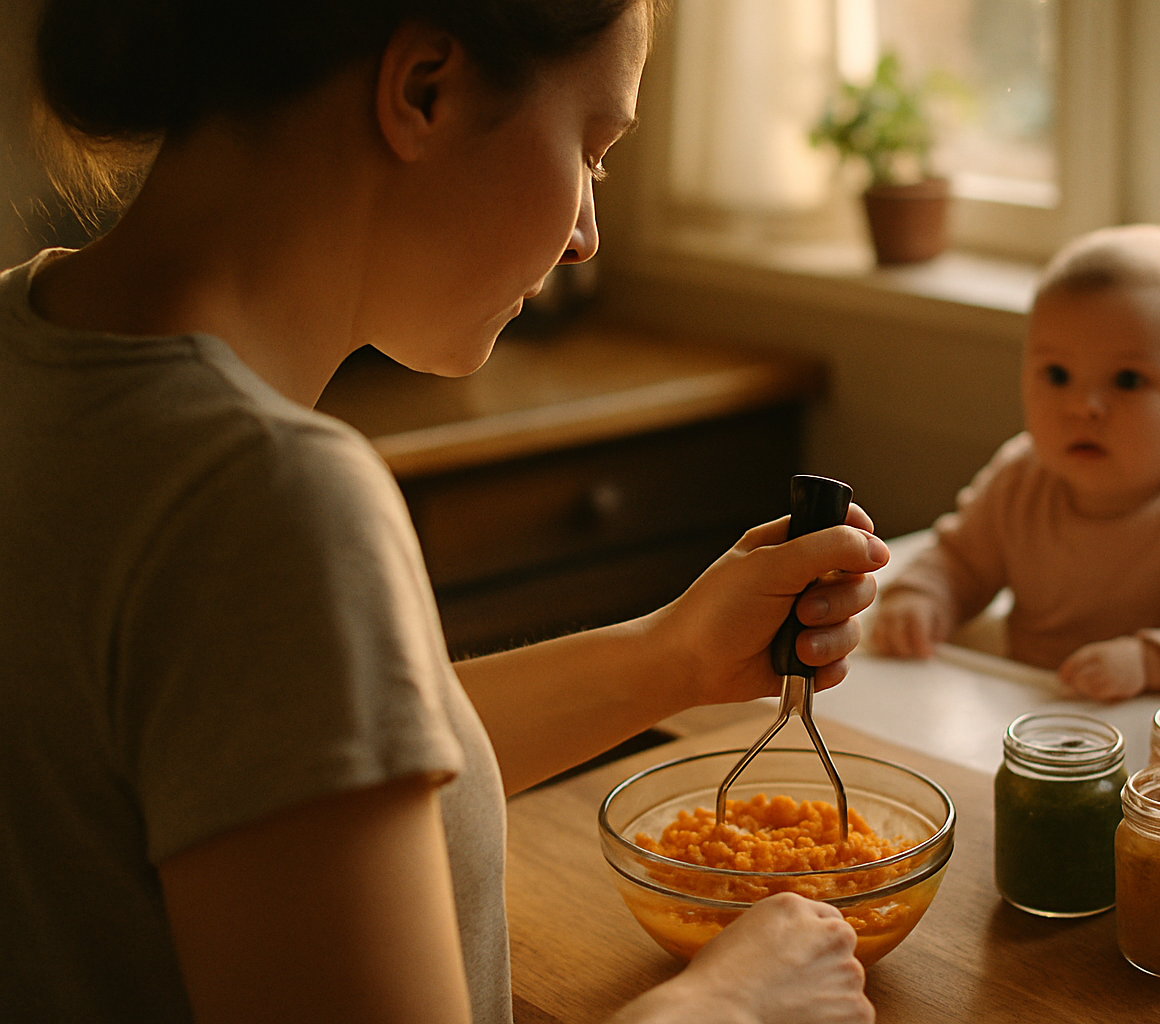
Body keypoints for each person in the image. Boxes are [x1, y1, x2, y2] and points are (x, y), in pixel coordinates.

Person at [1, 2, 886, 1022]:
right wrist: (729, 1003)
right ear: (426, 87)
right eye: (592, 150)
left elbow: (277, 789)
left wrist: (673, 658)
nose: (587, 236)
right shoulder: (266, 499)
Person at [871, 224, 1160, 702]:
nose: (1084, 406)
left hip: (1154, 744)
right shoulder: (1021, 478)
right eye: (1058, 375)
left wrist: (1149, 662)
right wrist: (921, 598)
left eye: (1128, 380)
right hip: (1028, 723)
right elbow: (959, 563)